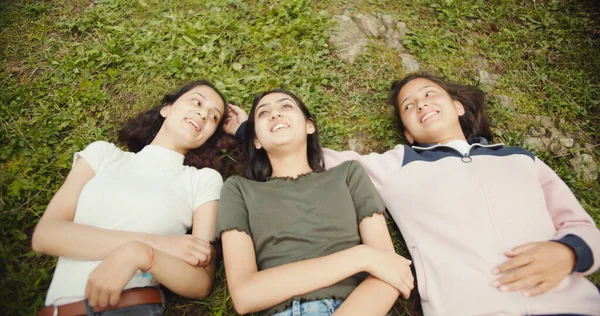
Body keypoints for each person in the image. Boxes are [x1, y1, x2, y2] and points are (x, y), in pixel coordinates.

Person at [224, 74, 600, 316]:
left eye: (429, 94)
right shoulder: (395, 165)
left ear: (457, 106)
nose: (420, 104)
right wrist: (248, 129)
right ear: (407, 131)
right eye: (408, 106)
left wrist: (569, 252)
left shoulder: (521, 159)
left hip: (569, 304)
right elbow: (302, 156)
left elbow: (582, 225)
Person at [32, 80, 234, 316]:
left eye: (213, 117)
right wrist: (154, 243)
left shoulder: (203, 180)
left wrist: (141, 255)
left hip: (132, 308)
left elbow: (200, 284)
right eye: (197, 102)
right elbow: (46, 236)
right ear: (166, 108)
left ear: (210, 135)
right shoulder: (103, 154)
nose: (203, 113)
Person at [216, 89, 414, 316]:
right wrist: (361, 257)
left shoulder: (348, 174)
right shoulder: (239, 189)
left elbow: (392, 272)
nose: (275, 114)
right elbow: (245, 295)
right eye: (263, 113)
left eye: (286, 106)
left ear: (309, 125)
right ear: (256, 140)